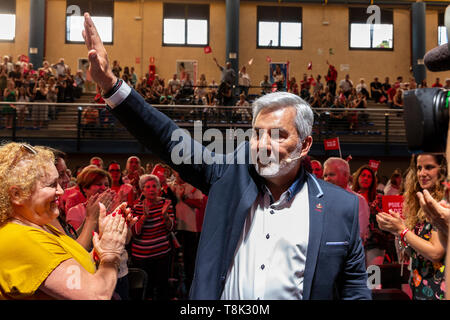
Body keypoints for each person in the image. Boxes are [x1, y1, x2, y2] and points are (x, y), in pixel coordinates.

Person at [82, 13, 370, 300]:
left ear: (305, 145)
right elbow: (167, 137)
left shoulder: (340, 207)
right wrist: (110, 84)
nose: (263, 144)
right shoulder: (227, 176)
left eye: (278, 135)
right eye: (258, 133)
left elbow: (354, 289)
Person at [0, 142, 131, 299]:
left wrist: (102, 245)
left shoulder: (40, 224)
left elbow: (74, 264)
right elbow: (97, 295)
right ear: (17, 195)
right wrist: (111, 255)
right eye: (51, 185)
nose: (61, 191)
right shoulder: (22, 238)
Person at [376, 154, 447, 300]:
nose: (422, 173)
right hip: (420, 287)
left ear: (443, 170)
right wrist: (396, 230)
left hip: (439, 291)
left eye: (429, 167)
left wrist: (402, 230)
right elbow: (417, 252)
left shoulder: (443, 204)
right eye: (419, 168)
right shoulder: (421, 203)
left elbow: (435, 253)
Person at [131, 174, 175, 300]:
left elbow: (171, 228)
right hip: (142, 256)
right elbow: (135, 232)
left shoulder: (166, 204)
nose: (151, 189)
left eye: (154, 186)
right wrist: (144, 217)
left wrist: (165, 216)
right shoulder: (137, 207)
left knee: (162, 289)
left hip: (162, 253)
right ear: (142, 190)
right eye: (148, 187)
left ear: (159, 188)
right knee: (145, 290)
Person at [352, 165, 395, 265]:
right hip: (356, 243)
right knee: (358, 276)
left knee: (373, 277)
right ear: (358, 178)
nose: (366, 178)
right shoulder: (351, 197)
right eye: (363, 175)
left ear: (373, 180)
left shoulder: (379, 198)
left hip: (376, 243)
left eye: (369, 176)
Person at [323, 157, 370, 243]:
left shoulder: (358, 201)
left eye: (332, 175)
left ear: (345, 176)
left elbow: (360, 234)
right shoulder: (320, 200)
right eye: (325, 175)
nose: (327, 179)